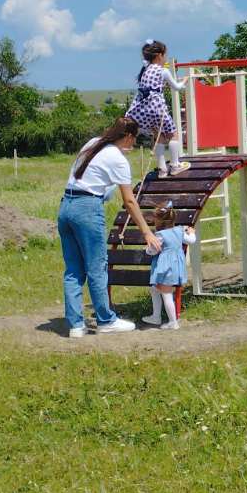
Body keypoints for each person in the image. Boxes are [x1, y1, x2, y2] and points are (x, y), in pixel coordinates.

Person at [59, 116, 161, 338]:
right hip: (87, 209)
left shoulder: (93, 143)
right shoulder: (118, 160)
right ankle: (106, 320)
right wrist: (147, 232)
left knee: (74, 270)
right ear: (127, 136)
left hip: (66, 206)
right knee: (97, 266)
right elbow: (130, 201)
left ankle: (76, 326)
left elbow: (88, 176)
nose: (133, 145)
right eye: (133, 140)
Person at [127, 39, 191, 178]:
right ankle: (175, 165)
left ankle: (162, 170)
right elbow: (177, 87)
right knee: (173, 134)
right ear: (160, 55)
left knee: (159, 137)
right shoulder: (163, 71)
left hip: (144, 109)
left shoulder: (145, 71)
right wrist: (185, 80)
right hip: (157, 108)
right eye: (165, 55)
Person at [142, 203, 196, 331]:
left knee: (166, 294)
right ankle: (156, 316)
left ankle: (173, 322)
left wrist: (147, 250)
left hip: (166, 269)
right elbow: (191, 240)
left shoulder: (160, 235)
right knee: (155, 289)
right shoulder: (179, 231)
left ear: (159, 221)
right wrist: (192, 232)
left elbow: (153, 250)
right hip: (176, 267)